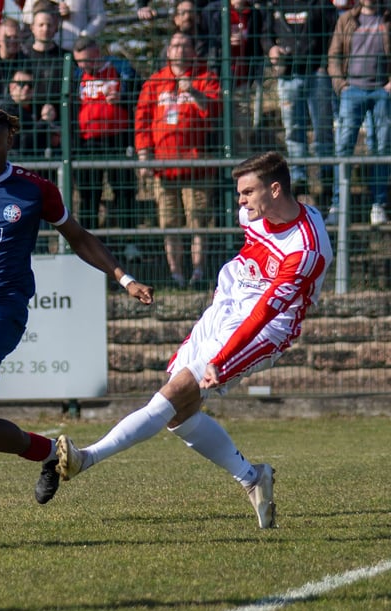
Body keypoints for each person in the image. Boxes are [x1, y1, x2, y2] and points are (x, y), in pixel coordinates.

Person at [0, 107, 154, 527]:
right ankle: (52, 454)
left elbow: (79, 238)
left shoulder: (34, 190)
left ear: (9, 142)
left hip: (3, 307)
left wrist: (123, 277)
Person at [55, 151, 333, 531]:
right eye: (239, 193)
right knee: (180, 415)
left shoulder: (306, 249)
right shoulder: (253, 215)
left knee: (175, 394)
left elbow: (264, 313)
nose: (240, 201)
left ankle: (87, 457)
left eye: (248, 192)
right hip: (226, 307)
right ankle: (252, 477)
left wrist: (224, 356)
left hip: (266, 328)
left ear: (274, 189)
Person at [135, 31, 221, 288]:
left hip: (197, 165)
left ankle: (197, 273)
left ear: (194, 51)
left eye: (185, 45)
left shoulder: (206, 77)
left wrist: (193, 92)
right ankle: (176, 275)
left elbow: (215, 110)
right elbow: (142, 120)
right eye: (175, 44)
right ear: (168, 51)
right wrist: (143, 154)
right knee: (169, 222)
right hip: (163, 166)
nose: (180, 50)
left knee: (198, 221)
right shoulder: (155, 81)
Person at [263, 0, 338, 209]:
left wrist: (325, 65)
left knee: (323, 130)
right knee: (294, 131)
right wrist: (271, 49)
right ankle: (299, 180)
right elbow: (264, 34)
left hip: (317, 74)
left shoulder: (322, 4)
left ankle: (326, 180)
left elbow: (334, 33)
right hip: (288, 76)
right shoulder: (276, 6)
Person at [327, 0, 391, 226]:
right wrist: (340, 85)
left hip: (382, 92)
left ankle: (379, 205)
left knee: (381, 148)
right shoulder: (346, 20)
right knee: (343, 147)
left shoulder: (387, 18)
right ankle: (338, 204)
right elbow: (333, 55)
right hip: (351, 91)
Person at [71, 36, 140, 229]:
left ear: (97, 53)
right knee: (88, 193)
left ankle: (129, 240)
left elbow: (140, 92)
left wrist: (123, 96)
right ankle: (87, 239)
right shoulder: (77, 75)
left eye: (88, 61)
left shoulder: (121, 68)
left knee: (124, 189)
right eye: (80, 62)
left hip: (118, 138)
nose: (84, 66)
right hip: (87, 142)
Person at [200, 0, 267, 156]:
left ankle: (243, 172)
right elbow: (204, 43)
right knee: (216, 131)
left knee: (242, 132)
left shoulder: (254, 14)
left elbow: (256, 46)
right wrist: (224, 41)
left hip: (242, 82)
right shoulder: (213, 11)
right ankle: (220, 175)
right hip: (216, 82)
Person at [24, 4, 65, 144]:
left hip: (61, 119)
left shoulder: (65, 57)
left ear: (56, 28)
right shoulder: (23, 57)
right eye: (41, 25)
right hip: (29, 119)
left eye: (49, 25)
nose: (45, 29)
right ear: (32, 27)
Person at [0, 69, 52, 159]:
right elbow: (19, 143)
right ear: (12, 87)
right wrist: (44, 122)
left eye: (30, 85)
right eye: (22, 84)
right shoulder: (5, 110)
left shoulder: (37, 107)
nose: (26, 88)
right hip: (15, 162)